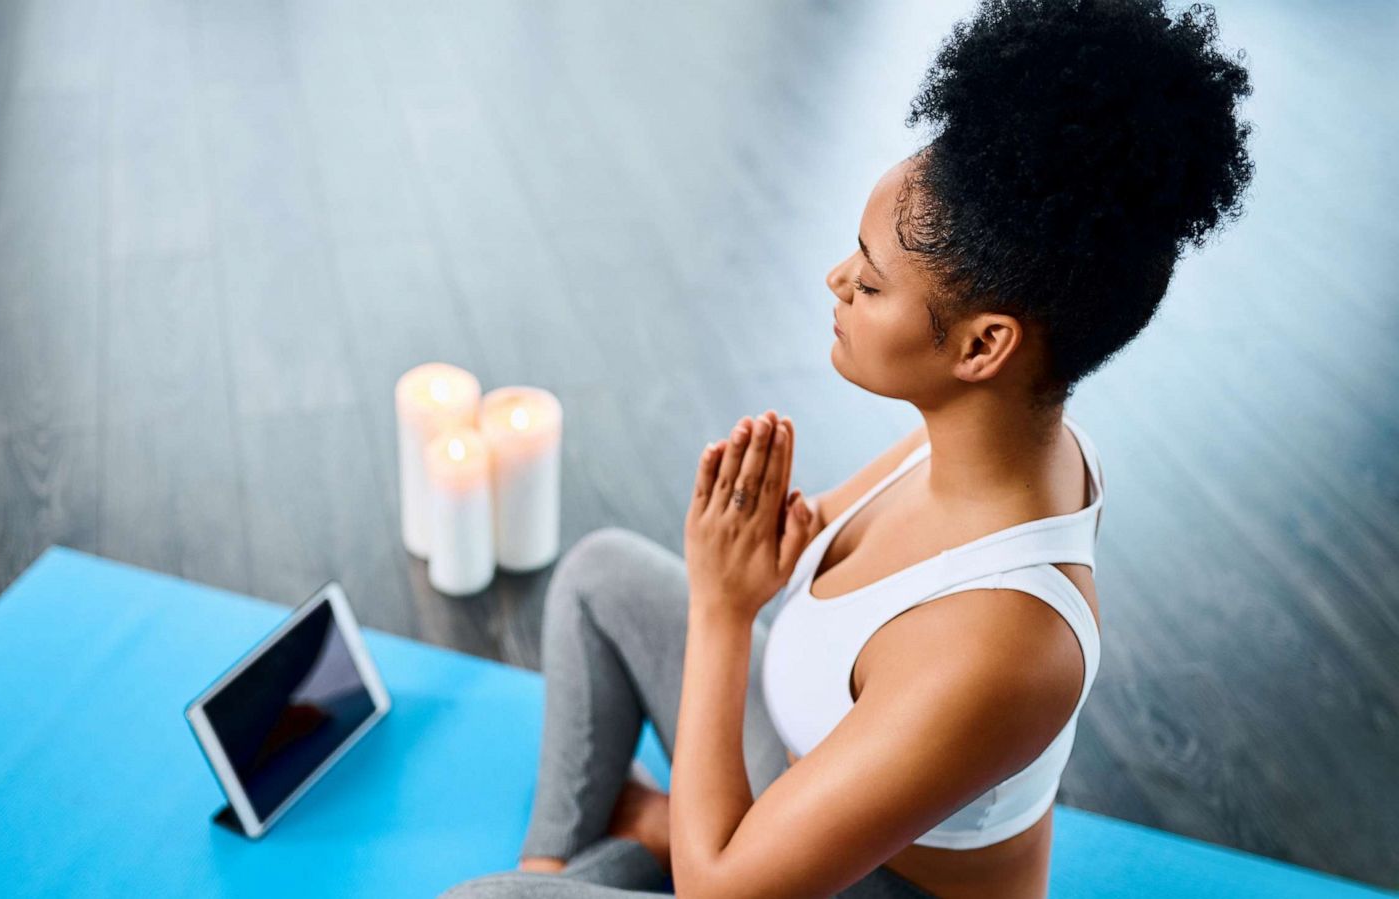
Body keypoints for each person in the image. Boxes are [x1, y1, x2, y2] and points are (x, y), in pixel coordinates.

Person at [443, 0, 1252, 895]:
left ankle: (632, 844)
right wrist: (751, 547)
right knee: (599, 576)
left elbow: (721, 894)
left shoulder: (1007, 643)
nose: (836, 279)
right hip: (801, 799)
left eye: (869, 281)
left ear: (983, 347)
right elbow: (804, 547)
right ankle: (567, 864)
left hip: (866, 884)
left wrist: (722, 609)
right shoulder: (986, 440)